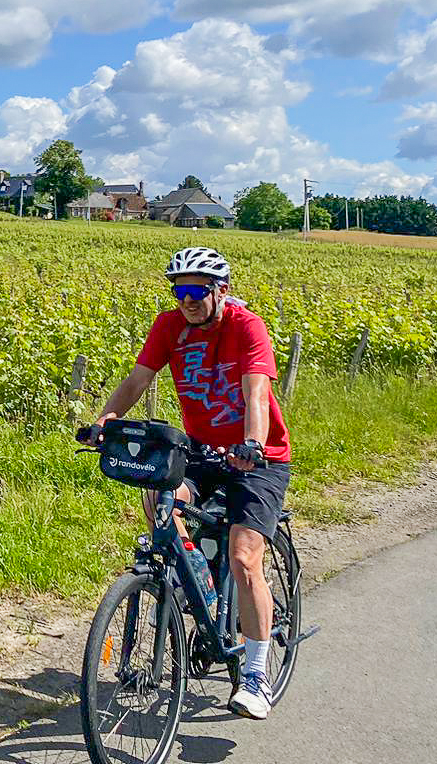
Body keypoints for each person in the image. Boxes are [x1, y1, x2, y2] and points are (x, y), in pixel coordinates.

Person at [84, 246, 291, 721]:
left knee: (243, 557)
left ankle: (256, 676)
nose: (188, 300)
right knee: (162, 500)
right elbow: (137, 381)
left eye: (197, 290)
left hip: (257, 457)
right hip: (200, 450)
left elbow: (256, 393)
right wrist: (106, 421)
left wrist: (252, 444)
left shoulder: (246, 327)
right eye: (180, 291)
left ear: (222, 290)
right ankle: (195, 583)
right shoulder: (169, 327)